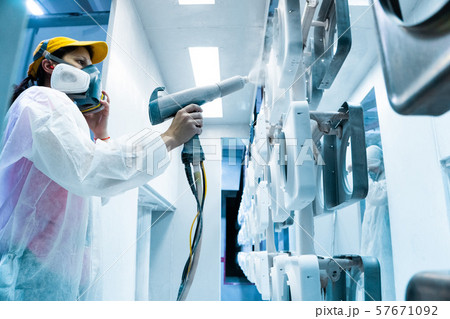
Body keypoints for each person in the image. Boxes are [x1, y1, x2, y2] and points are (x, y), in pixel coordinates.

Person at [0, 37, 203, 300]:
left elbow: (97, 194)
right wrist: (169, 138)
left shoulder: (62, 112)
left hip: (52, 272)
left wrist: (99, 134)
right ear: (51, 66)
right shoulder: (42, 99)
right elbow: (88, 171)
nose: (90, 73)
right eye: (80, 62)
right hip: (30, 273)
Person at [360, 145, 395, 300]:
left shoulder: (389, 181)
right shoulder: (376, 182)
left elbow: (376, 196)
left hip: (384, 246)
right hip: (373, 243)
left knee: (386, 287)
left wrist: (360, 174)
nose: (371, 173)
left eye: (372, 169)